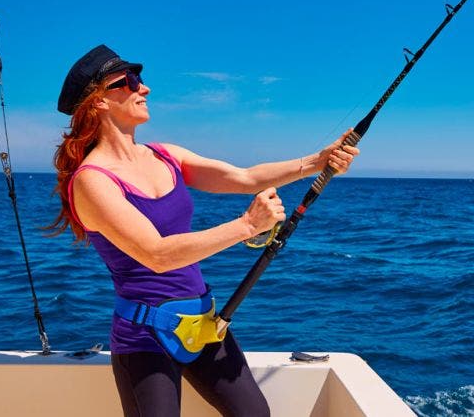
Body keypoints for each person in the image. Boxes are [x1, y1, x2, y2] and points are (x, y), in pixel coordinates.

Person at [49, 44, 359, 417]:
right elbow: (156, 254)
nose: (143, 88)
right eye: (128, 82)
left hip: (205, 325)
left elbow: (244, 178)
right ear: (98, 101)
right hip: (145, 338)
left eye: (140, 80)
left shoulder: (167, 155)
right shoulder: (92, 182)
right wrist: (246, 226)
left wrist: (317, 161)